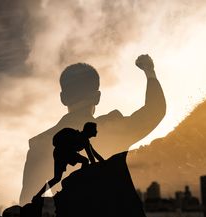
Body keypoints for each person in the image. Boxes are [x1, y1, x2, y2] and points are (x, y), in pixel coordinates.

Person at [20, 54, 166, 205]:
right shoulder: (114, 129)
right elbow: (155, 110)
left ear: (63, 98)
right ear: (97, 97)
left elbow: (26, 204)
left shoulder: (40, 145)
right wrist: (149, 71)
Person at [32, 122, 104, 201]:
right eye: (95, 129)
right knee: (84, 161)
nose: (96, 131)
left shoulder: (85, 141)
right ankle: (80, 180)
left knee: (57, 178)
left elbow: (94, 155)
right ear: (89, 130)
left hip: (59, 153)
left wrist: (104, 162)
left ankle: (37, 196)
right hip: (62, 153)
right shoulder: (82, 139)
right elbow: (92, 158)